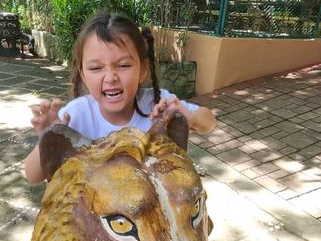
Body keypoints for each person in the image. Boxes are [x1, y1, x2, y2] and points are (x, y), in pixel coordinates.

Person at [23, 12, 216, 183]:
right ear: (83, 74)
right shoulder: (75, 116)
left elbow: (208, 122)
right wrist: (49, 136)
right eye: (96, 68)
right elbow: (32, 176)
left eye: (123, 65)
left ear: (142, 70)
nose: (110, 77)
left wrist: (187, 117)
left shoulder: (157, 104)